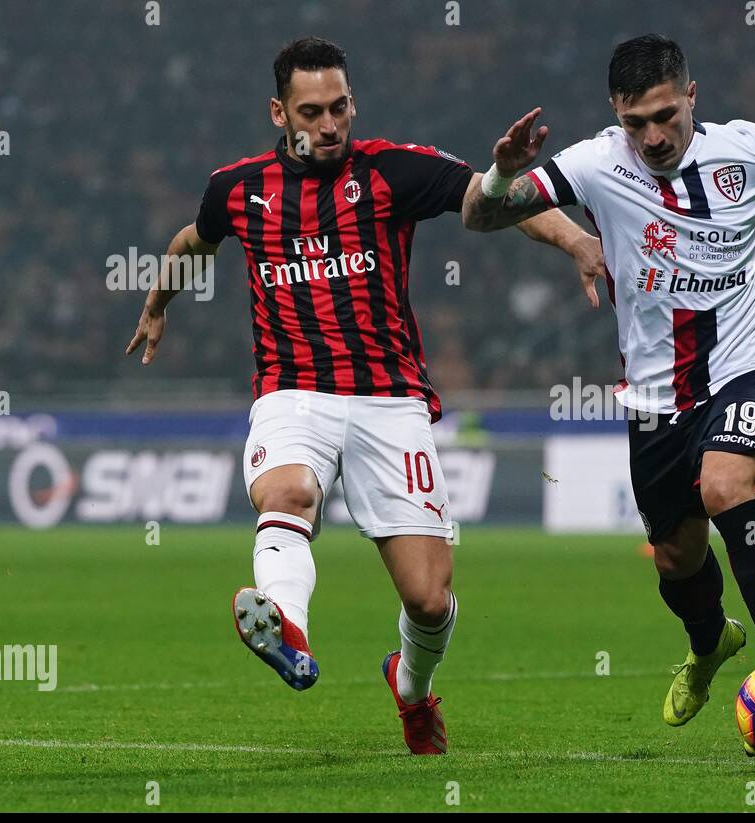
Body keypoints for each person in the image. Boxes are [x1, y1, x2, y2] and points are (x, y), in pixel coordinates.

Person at [125, 36, 604, 754]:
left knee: (429, 599)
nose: (328, 123)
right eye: (311, 110)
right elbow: (195, 240)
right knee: (286, 495)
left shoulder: (390, 172)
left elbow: (487, 201)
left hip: (389, 402)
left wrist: (571, 238)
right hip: (293, 393)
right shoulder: (238, 187)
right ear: (278, 112)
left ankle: (410, 686)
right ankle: (287, 629)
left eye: (339, 107)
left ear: (353, 104)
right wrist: (158, 301)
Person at [462, 34, 755, 740]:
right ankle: (709, 643)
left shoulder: (747, 149)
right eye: (637, 121)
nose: (654, 135)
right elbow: (478, 215)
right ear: (616, 111)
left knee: (726, 487)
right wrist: (499, 173)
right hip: (653, 395)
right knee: (677, 558)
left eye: (666, 115)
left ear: (691, 96)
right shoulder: (594, 162)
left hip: (749, 361)